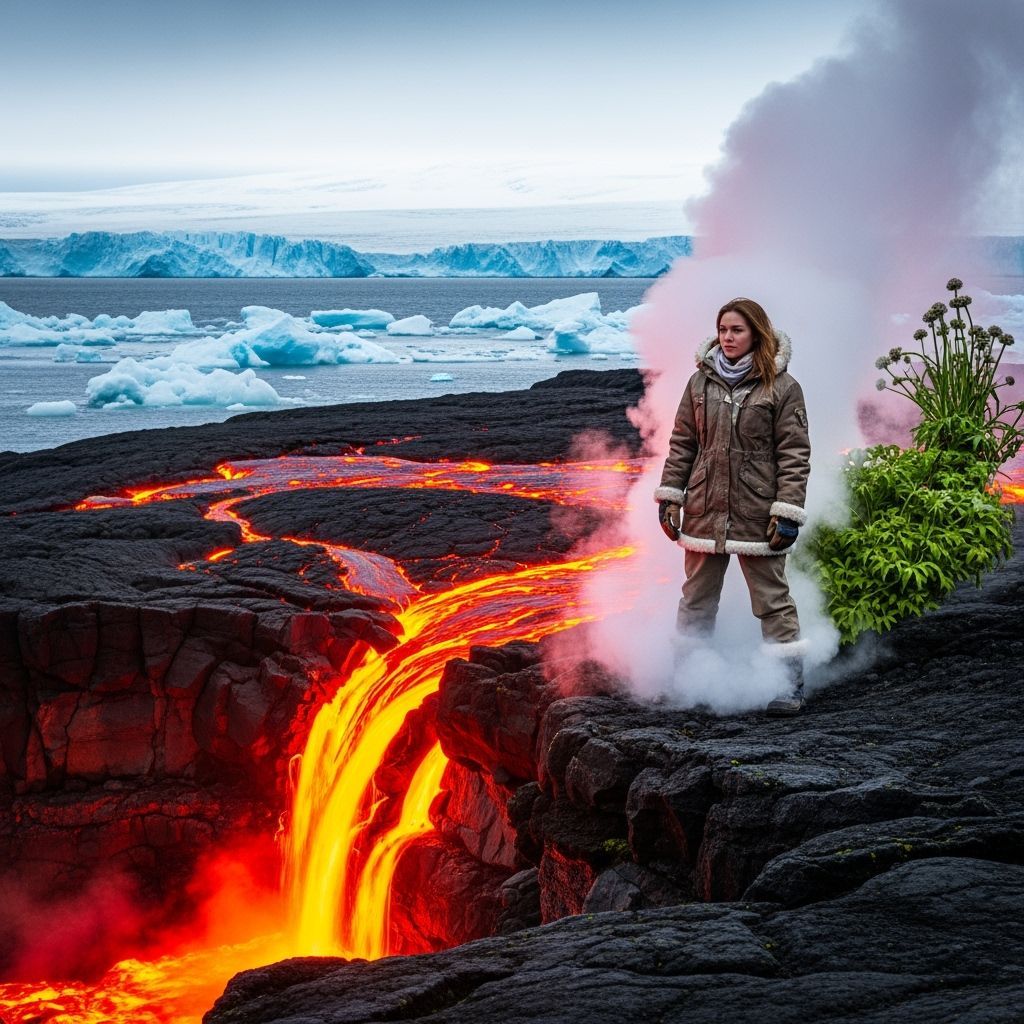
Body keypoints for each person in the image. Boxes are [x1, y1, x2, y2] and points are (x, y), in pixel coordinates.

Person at [654, 297, 811, 715]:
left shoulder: (782, 387)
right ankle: (688, 684)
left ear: (756, 333)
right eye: (722, 329)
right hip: (705, 507)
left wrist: (787, 511)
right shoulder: (698, 383)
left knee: (772, 599)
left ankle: (788, 687)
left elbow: (795, 454)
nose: (727, 338)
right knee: (696, 599)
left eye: (737, 330)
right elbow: (684, 443)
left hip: (758, 512)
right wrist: (671, 496)